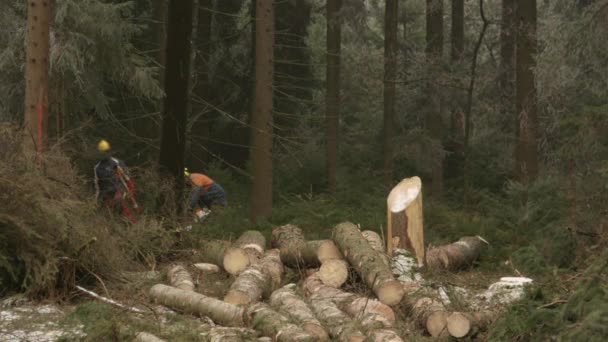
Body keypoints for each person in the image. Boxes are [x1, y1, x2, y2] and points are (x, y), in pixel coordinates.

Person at [94, 140, 139, 223]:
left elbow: (128, 179)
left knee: (122, 205)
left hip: (120, 191)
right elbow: (97, 187)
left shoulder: (117, 163)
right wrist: (97, 202)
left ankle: (131, 223)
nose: (105, 153)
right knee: (105, 217)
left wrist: (130, 190)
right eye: (103, 152)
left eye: (106, 151)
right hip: (106, 195)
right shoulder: (97, 168)